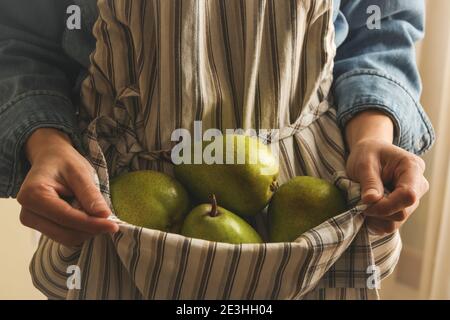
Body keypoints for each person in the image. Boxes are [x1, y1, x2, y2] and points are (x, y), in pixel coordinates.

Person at [0, 0, 433, 247]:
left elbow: (379, 27)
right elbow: (21, 41)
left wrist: (372, 135)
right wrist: (46, 143)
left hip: (311, 217)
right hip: (111, 215)